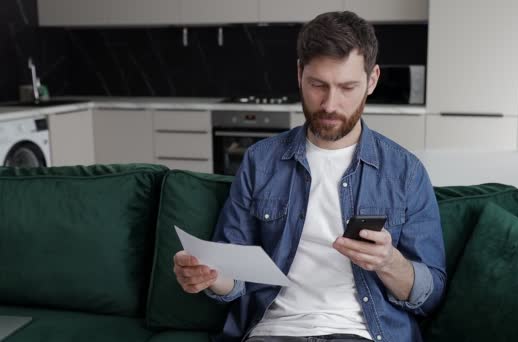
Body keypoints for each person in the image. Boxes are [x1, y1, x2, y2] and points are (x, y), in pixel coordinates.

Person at [173, 11, 446, 342]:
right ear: (300, 74)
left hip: (362, 333)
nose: (330, 104)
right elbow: (234, 276)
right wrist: (207, 275)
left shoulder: (406, 172)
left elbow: (430, 296)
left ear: (372, 80)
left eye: (347, 87)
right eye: (318, 85)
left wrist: (390, 262)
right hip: (274, 331)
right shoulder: (260, 161)